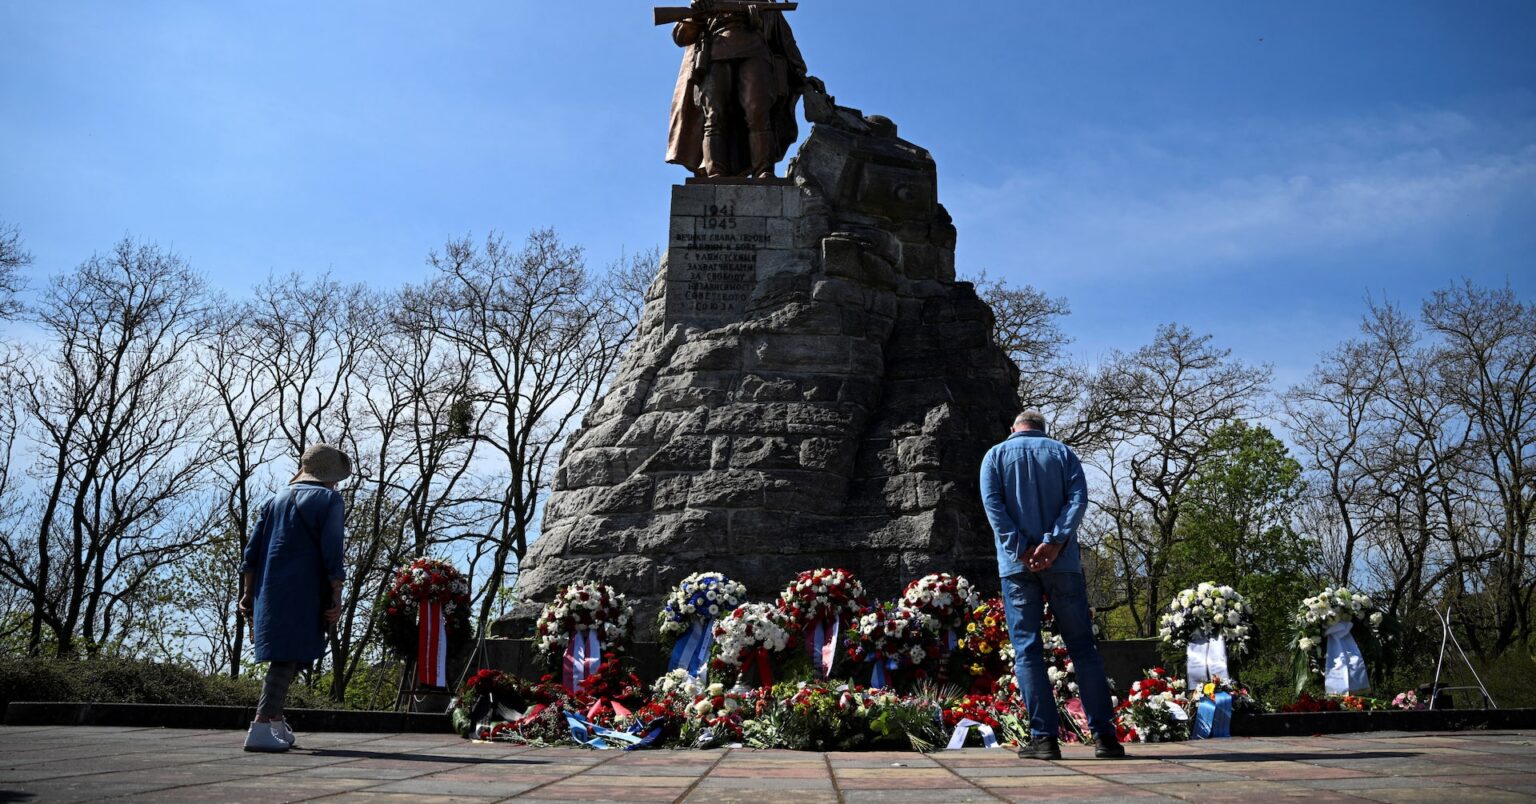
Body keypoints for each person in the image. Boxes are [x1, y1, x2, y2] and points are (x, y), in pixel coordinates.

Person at [980, 410, 1125, 760]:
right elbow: (1077, 501)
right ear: (1044, 429)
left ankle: (1044, 740)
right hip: (1064, 565)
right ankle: (1105, 738)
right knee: (1083, 648)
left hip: (1017, 567)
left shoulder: (994, 456)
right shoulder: (1063, 454)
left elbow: (993, 505)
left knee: (1028, 651)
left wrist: (1022, 548)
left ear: (1014, 428)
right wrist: (1055, 543)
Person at [237, 444, 351, 752]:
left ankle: (275, 722)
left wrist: (247, 595)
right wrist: (336, 595)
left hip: (268, 588)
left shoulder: (275, 500)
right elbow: (332, 551)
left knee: (291, 653)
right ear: (330, 476)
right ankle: (260, 725)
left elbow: (251, 554)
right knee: (288, 656)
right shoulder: (329, 500)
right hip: (304, 588)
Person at [666, 0, 807, 178]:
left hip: (755, 51)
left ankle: (763, 170)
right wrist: (698, 14)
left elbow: (785, 39)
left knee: (758, 112)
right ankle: (715, 172)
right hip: (714, 52)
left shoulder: (764, 2)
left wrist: (800, 72)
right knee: (714, 115)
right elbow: (681, 36)